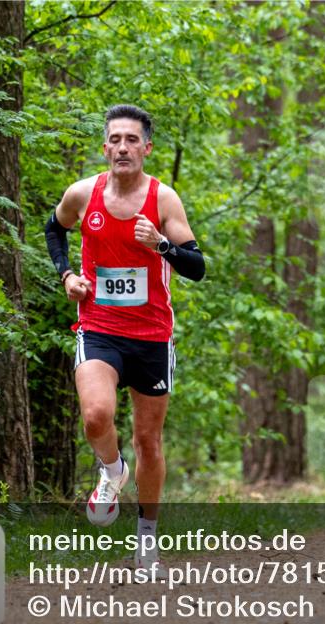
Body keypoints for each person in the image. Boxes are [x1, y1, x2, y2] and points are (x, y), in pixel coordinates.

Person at [44, 104, 205, 571]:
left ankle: (147, 539)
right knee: (96, 417)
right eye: (114, 139)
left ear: (146, 148)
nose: (122, 147)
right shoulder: (83, 193)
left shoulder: (163, 200)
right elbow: (55, 229)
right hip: (99, 328)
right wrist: (67, 275)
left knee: (149, 441)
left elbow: (196, 267)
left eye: (132, 140)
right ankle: (112, 470)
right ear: (105, 147)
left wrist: (162, 245)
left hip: (153, 335)